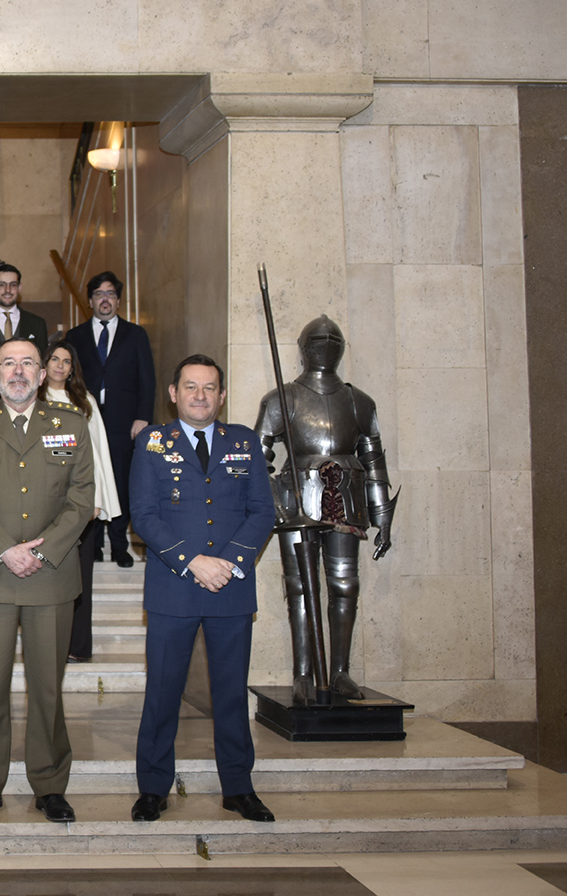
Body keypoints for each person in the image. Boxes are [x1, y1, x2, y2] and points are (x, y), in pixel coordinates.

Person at [0, 338, 94, 825]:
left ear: (43, 373)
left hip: (50, 577)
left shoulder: (71, 424)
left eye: (27, 362)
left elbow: (81, 497)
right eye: (8, 362)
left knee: (47, 690)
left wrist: (45, 549)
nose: (18, 370)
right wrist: (5, 550)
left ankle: (50, 784)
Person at [129, 354, 276, 824]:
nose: (200, 395)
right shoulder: (152, 442)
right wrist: (193, 562)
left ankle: (238, 786)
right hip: (173, 588)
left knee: (231, 694)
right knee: (163, 692)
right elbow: (144, 516)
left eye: (209, 388)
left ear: (222, 395)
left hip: (230, 590)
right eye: (190, 386)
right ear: (173, 393)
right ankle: (153, 787)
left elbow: (262, 511)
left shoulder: (245, 442)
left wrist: (228, 563)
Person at [252, 316, 397, 704]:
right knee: (301, 587)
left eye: (331, 341)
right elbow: (256, 458)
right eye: (318, 341)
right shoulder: (282, 398)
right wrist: (275, 503)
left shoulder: (359, 401)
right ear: (304, 347)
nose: (325, 345)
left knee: (344, 585)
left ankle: (341, 671)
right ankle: (302, 673)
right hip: (297, 496)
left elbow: (374, 461)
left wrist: (382, 515)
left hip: (347, 498)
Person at [63, 270, 156, 568]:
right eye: (99, 294)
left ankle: (118, 545)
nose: (105, 300)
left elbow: (147, 380)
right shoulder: (75, 337)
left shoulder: (136, 334)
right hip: (85, 421)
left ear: (118, 300)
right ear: (90, 301)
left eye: (111, 294)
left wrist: (143, 417)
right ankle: (92, 546)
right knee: (87, 480)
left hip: (123, 423)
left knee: (120, 481)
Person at [43, 339, 121, 664]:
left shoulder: (84, 400)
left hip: (82, 504)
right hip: (44, 504)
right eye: (55, 359)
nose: (60, 366)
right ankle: (49, 646)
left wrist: (99, 499)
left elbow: (99, 453)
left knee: (80, 579)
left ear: (73, 367)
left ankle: (78, 645)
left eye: (66, 361)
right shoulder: (32, 398)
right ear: (44, 363)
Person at [0, 264, 48, 354]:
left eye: (13, 285)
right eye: (2, 285)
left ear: (19, 288)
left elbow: (42, 360)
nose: (8, 290)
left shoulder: (37, 324)